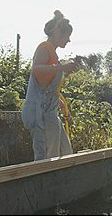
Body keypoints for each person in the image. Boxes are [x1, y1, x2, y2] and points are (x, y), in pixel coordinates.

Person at [22, 10, 79, 160]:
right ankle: (44, 183)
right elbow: (36, 69)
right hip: (38, 113)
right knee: (45, 156)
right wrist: (62, 68)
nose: (69, 40)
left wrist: (60, 103)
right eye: (68, 36)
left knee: (65, 151)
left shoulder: (53, 54)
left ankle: (64, 181)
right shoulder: (44, 47)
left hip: (49, 111)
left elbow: (47, 87)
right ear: (58, 34)